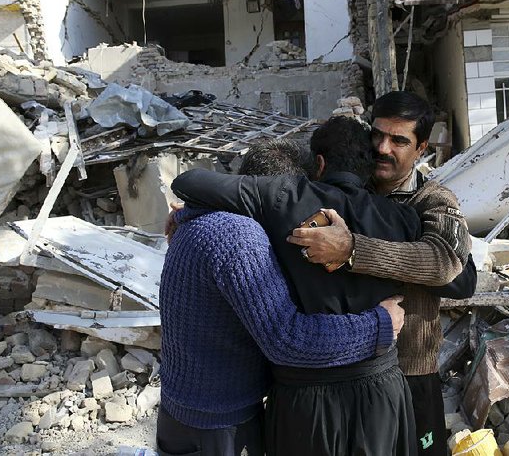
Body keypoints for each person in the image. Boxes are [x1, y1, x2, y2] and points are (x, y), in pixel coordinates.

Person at [171, 117, 425, 456]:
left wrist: (189, 212)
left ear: (318, 164)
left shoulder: (283, 201)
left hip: (304, 400)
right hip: (383, 391)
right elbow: (460, 278)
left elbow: (188, 181)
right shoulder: (404, 218)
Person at [287, 91, 473, 456]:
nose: (383, 148)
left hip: (411, 372)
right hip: (346, 368)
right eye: (377, 135)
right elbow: (279, 182)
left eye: (399, 141)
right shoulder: (346, 187)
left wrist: (353, 249)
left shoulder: (433, 200)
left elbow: (445, 260)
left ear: (421, 149)